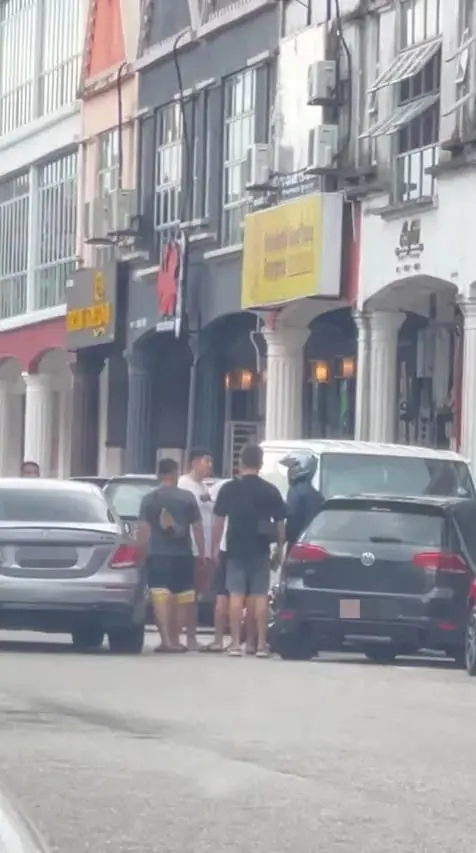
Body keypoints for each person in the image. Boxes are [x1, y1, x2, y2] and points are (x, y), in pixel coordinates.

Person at [212, 443, 286, 658]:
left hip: (235, 548)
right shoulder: (270, 490)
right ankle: (260, 645)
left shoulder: (229, 488)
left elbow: (218, 521)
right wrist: (279, 548)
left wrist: (215, 547)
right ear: (260, 464)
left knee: (236, 596)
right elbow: (281, 522)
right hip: (261, 549)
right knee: (260, 597)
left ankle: (235, 644)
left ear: (240, 462)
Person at [136, 457, 205, 653]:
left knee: (160, 598)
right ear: (175, 474)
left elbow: (143, 529)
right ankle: (177, 639)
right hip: (183, 554)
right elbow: (197, 528)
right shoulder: (187, 498)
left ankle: (166, 640)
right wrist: (201, 553)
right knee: (183, 597)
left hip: (157, 554)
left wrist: (141, 553)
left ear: (159, 475)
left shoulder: (148, 499)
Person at [178, 448, 214, 650]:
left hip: (205, 550)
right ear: (194, 462)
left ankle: (191, 635)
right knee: (187, 594)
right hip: (191, 549)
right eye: (206, 461)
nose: (209, 465)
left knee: (196, 594)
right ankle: (184, 636)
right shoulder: (184, 485)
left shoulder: (204, 487)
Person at [282, 452, 324, 548]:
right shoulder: (317, 496)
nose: (289, 471)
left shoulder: (296, 491)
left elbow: (291, 517)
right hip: (312, 542)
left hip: (297, 542)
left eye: (292, 467)